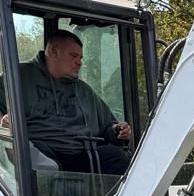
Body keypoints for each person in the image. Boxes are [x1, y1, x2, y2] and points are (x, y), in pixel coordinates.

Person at [0, 29, 131, 174]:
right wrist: (4, 123)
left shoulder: (83, 91)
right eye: (74, 56)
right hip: (40, 152)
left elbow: (107, 125)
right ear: (53, 52)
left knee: (116, 157)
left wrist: (117, 131)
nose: (79, 62)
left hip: (82, 155)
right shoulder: (18, 77)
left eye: (81, 58)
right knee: (40, 164)